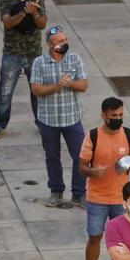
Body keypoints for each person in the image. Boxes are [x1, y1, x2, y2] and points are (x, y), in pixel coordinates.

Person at [76, 97, 130, 260]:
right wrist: (92, 172)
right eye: (113, 116)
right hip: (97, 198)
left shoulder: (129, 134)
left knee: (122, 242)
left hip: (121, 199)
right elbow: (81, 167)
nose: (117, 119)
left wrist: (129, 162)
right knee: (95, 237)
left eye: (120, 115)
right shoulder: (93, 136)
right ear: (104, 115)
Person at [30, 25, 89, 208]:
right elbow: (36, 89)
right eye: (60, 41)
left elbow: (84, 85)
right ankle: (56, 192)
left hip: (72, 118)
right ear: (50, 44)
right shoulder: (39, 63)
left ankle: (79, 194)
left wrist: (70, 83)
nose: (64, 43)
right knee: (52, 157)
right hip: (48, 120)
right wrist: (56, 86)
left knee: (81, 156)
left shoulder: (75, 59)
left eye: (65, 40)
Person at [0, 0, 47, 140]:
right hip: (13, 52)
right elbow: (8, 22)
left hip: (34, 52)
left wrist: (34, 12)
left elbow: (42, 24)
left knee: (37, 90)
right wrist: (23, 13)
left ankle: (41, 122)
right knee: (6, 90)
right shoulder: (6, 0)